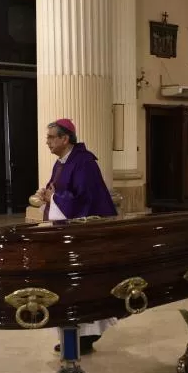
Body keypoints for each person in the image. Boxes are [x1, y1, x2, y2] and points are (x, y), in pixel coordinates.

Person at [38, 118, 118, 354]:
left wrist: (53, 198)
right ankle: (75, 333)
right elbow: (57, 190)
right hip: (68, 234)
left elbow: (84, 201)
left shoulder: (84, 162)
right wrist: (47, 194)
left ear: (65, 138)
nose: (47, 142)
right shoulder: (61, 162)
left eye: (52, 137)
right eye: (47, 137)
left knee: (85, 285)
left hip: (87, 235)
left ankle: (87, 335)